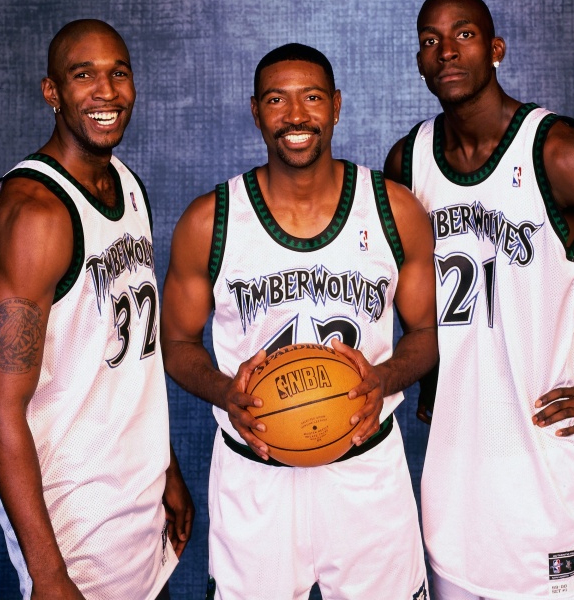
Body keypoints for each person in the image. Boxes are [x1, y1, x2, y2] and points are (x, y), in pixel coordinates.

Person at [385, 0, 574, 600]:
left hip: (548, 482)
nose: (446, 51)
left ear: (495, 49)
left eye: (464, 34)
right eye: (430, 41)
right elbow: (412, 296)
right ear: (418, 62)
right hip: (455, 486)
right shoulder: (407, 163)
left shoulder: (557, 155)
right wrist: (432, 379)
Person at [161, 43, 437, 600]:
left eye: (311, 98)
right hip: (255, 475)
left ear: (335, 105)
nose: (295, 116)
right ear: (255, 111)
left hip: (365, 474)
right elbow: (176, 342)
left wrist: (383, 378)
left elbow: (427, 334)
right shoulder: (210, 221)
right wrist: (225, 391)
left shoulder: (394, 210)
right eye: (276, 100)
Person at [0, 19, 194, 600]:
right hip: (73, 527)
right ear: (52, 92)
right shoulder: (34, 214)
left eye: (118, 73)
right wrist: (48, 574)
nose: (106, 91)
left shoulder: (126, 185)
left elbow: (125, 357)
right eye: (83, 75)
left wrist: (166, 467)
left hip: (138, 503)